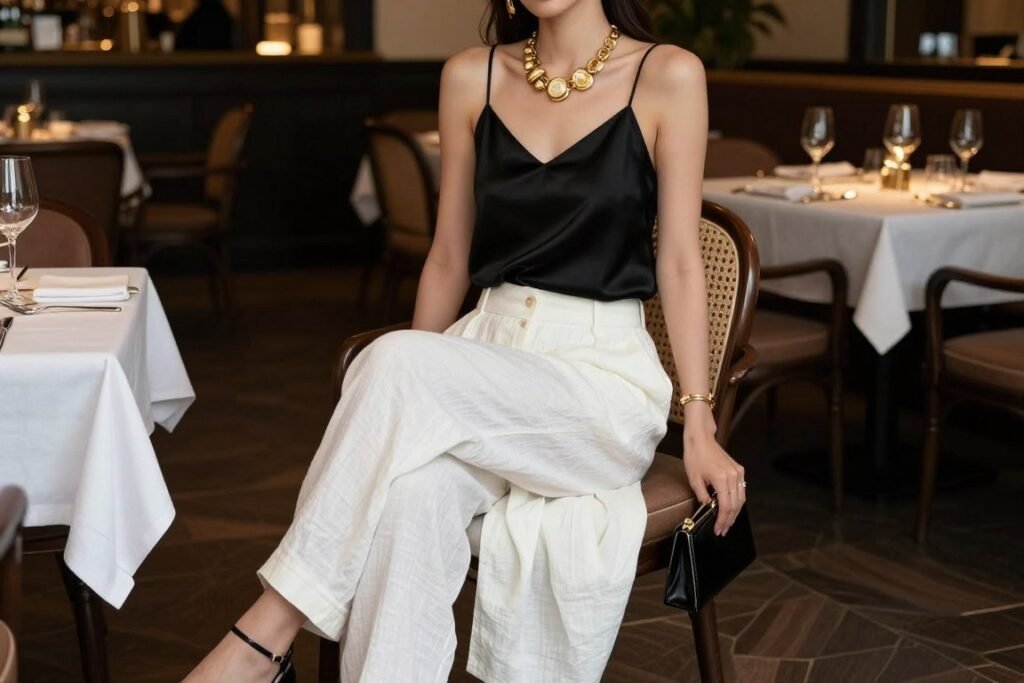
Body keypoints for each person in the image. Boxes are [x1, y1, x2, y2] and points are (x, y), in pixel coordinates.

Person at [185, 0, 748, 680]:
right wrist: (407, 406)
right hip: (484, 353)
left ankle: (263, 636)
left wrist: (700, 420)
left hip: (598, 385)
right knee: (409, 497)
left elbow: (680, 262)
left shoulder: (668, 74)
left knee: (392, 360)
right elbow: (449, 256)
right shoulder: (469, 76)